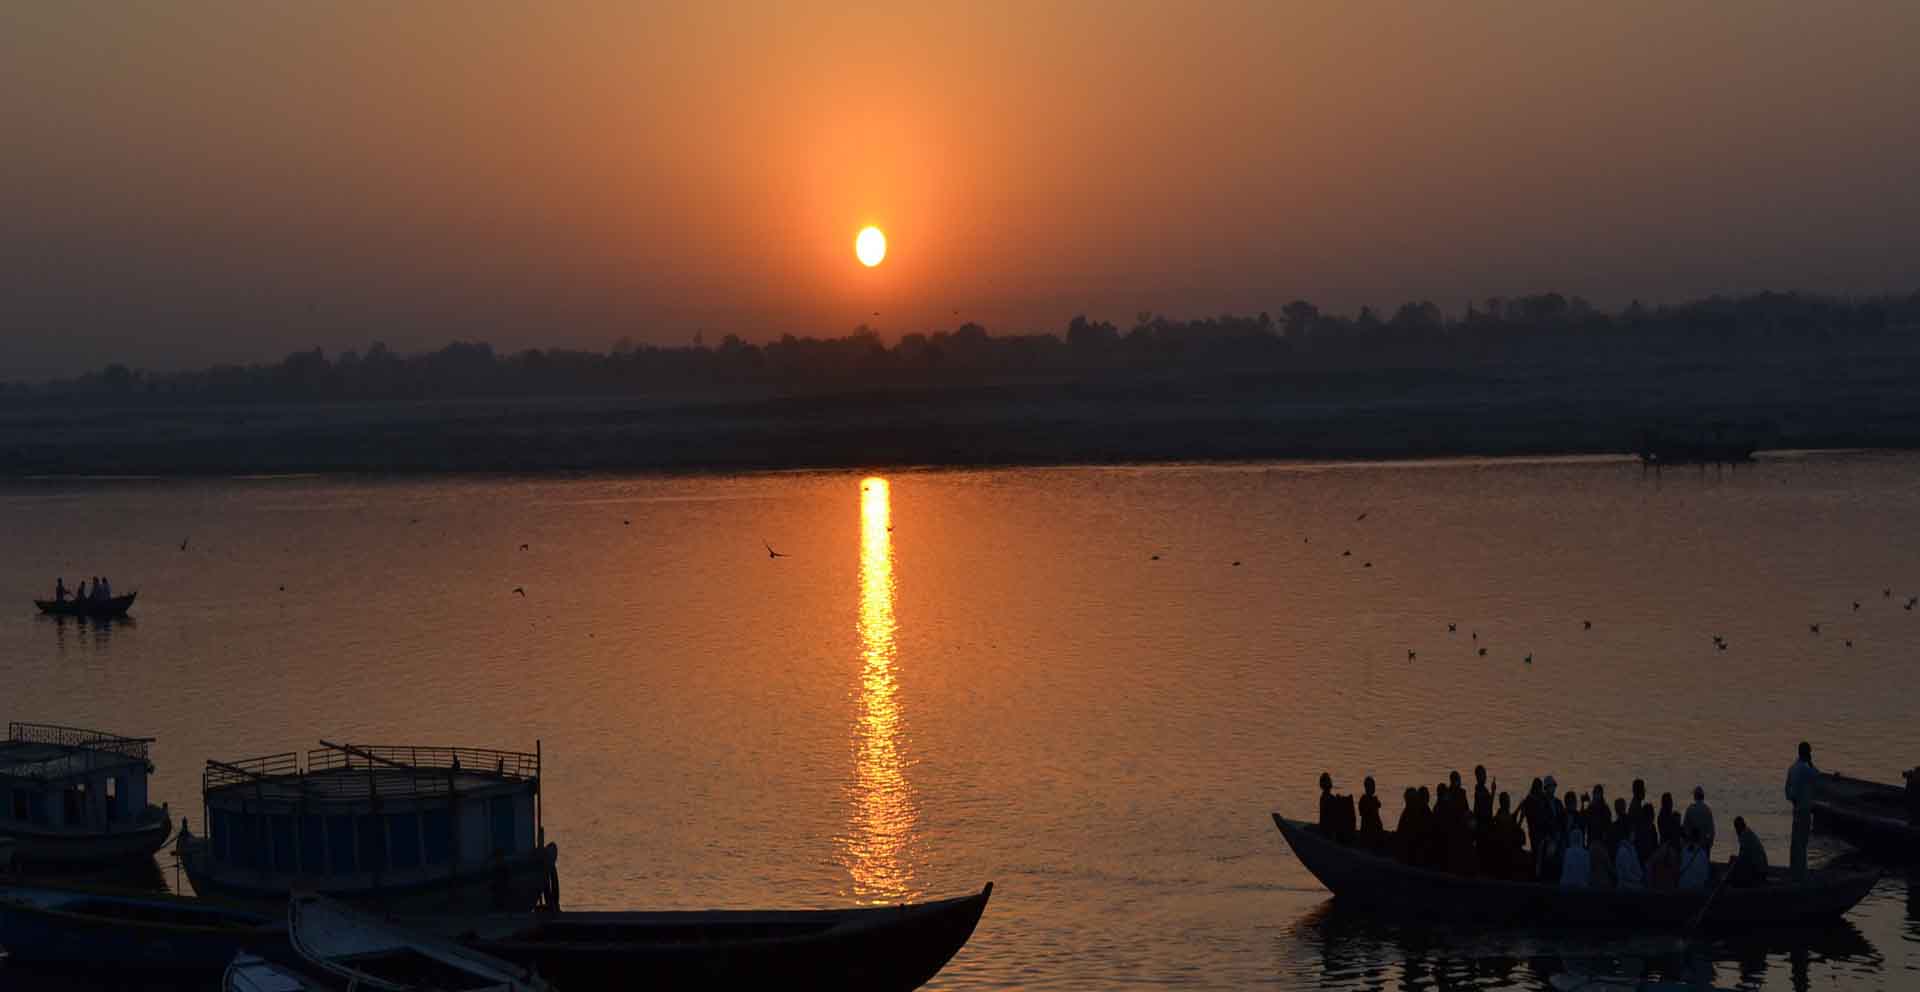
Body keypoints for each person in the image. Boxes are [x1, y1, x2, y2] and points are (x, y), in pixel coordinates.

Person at [1785, 741, 1819, 882]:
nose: (1810, 755)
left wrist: (1794, 800)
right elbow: (1817, 776)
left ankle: (1794, 871)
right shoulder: (1805, 769)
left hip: (1796, 810)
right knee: (1802, 843)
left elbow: (1787, 791)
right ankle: (1801, 875)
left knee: (1795, 842)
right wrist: (1811, 763)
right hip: (1804, 811)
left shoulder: (1792, 768)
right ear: (1806, 754)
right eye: (1809, 753)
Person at [1730, 815, 1770, 886]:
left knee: (1733, 862)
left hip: (1758, 871)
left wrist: (1734, 861)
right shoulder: (1748, 833)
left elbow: (1743, 858)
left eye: (1736, 828)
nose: (1736, 831)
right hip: (1761, 868)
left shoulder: (1744, 836)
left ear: (1738, 828)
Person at [1683, 786, 1717, 859]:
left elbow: (1685, 828)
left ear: (1695, 796)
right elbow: (1712, 831)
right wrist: (1709, 845)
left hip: (1692, 847)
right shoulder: (1707, 810)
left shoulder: (1690, 809)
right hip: (1704, 846)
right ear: (1703, 797)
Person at [1559, 823, 1592, 887]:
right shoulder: (1585, 853)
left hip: (1567, 884)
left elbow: (1565, 870)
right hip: (1581, 884)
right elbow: (1588, 871)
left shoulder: (1567, 852)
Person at [1358, 776, 1386, 852]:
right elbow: (1363, 812)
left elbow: (1379, 805)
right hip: (1368, 832)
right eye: (1371, 786)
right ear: (1367, 787)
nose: (1373, 788)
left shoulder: (1373, 799)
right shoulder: (1364, 799)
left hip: (1376, 832)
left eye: (1374, 786)